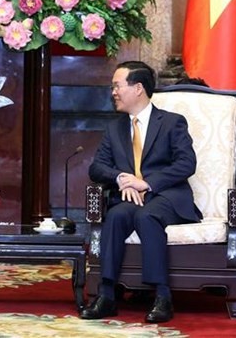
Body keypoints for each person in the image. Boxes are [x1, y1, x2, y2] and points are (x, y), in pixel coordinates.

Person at [80, 61, 201, 323]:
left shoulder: (171, 122)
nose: (113, 91)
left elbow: (186, 163)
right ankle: (107, 295)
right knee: (116, 216)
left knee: (148, 216)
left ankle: (162, 295)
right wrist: (122, 177)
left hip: (166, 196)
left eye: (117, 86)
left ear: (137, 88)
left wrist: (146, 183)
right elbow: (97, 167)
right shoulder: (115, 128)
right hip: (130, 198)